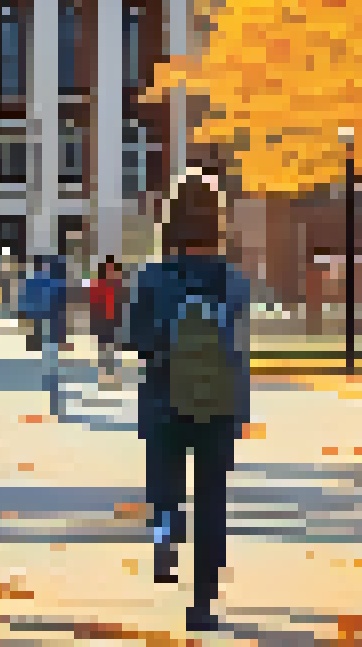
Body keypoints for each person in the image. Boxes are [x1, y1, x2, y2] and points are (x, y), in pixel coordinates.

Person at [126, 168, 253, 633]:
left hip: (164, 399)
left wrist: (163, 345)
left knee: (164, 483)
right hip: (219, 403)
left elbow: (135, 340)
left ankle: (165, 530)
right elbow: (237, 342)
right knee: (212, 501)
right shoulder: (232, 280)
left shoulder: (152, 277)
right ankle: (203, 603)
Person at [17, 254, 70, 417]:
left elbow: (25, 305)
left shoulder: (31, 282)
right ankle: (55, 399)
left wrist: (27, 326)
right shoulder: (57, 282)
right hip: (52, 325)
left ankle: (49, 397)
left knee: (44, 361)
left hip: (38, 325)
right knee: (52, 361)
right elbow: (63, 306)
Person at [89, 256, 128, 386]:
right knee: (104, 346)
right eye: (108, 269)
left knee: (115, 345)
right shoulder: (98, 284)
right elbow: (93, 302)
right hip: (101, 320)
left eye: (113, 269)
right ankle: (105, 372)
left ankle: (113, 372)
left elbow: (124, 301)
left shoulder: (119, 284)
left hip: (116, 319)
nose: (111, 271)